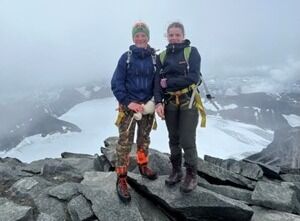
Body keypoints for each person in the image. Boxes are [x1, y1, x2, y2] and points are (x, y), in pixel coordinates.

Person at [111, 21, 158, 203]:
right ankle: (122, 178)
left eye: (143, 35)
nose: (140, 38)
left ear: (148, 37)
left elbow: (157, 83)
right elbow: (116, 83)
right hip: (129, 108)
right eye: (137, 35)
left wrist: (152, 103)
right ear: (133, 38)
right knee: (124, 143)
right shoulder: (126, 58)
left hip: (146, 107)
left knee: (144, 139)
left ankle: (143, 165)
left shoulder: (154, 58)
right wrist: (128, 102)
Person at [154, 22, 204, 193]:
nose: (174, 38)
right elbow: (157, 83)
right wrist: (158, 102)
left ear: (183, 35)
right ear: (166, 36)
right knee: (173, 138)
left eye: (177, 35)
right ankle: (176, 171)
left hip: (187, 100)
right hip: (169, 102)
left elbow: (194, 77)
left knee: (187, 140)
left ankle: (191, 175)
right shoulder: (161, 56)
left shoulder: (191, 52)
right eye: (171, 35)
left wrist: (169, 82)